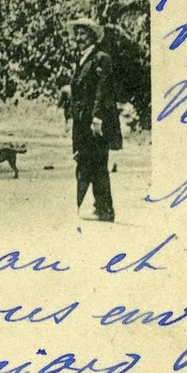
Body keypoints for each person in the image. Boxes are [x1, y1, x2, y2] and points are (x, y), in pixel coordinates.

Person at [65, 17, 121, 222]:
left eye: (83, 34)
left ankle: (100, 208)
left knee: (94, 163)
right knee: (88, 161)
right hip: (82, 122)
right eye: (77, 34)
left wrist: (98, 117)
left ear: (92, 37)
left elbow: (103, 90)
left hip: (94, 122)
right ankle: (99, 207)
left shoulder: (101, 58)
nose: (78, 38)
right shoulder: (81, 60)